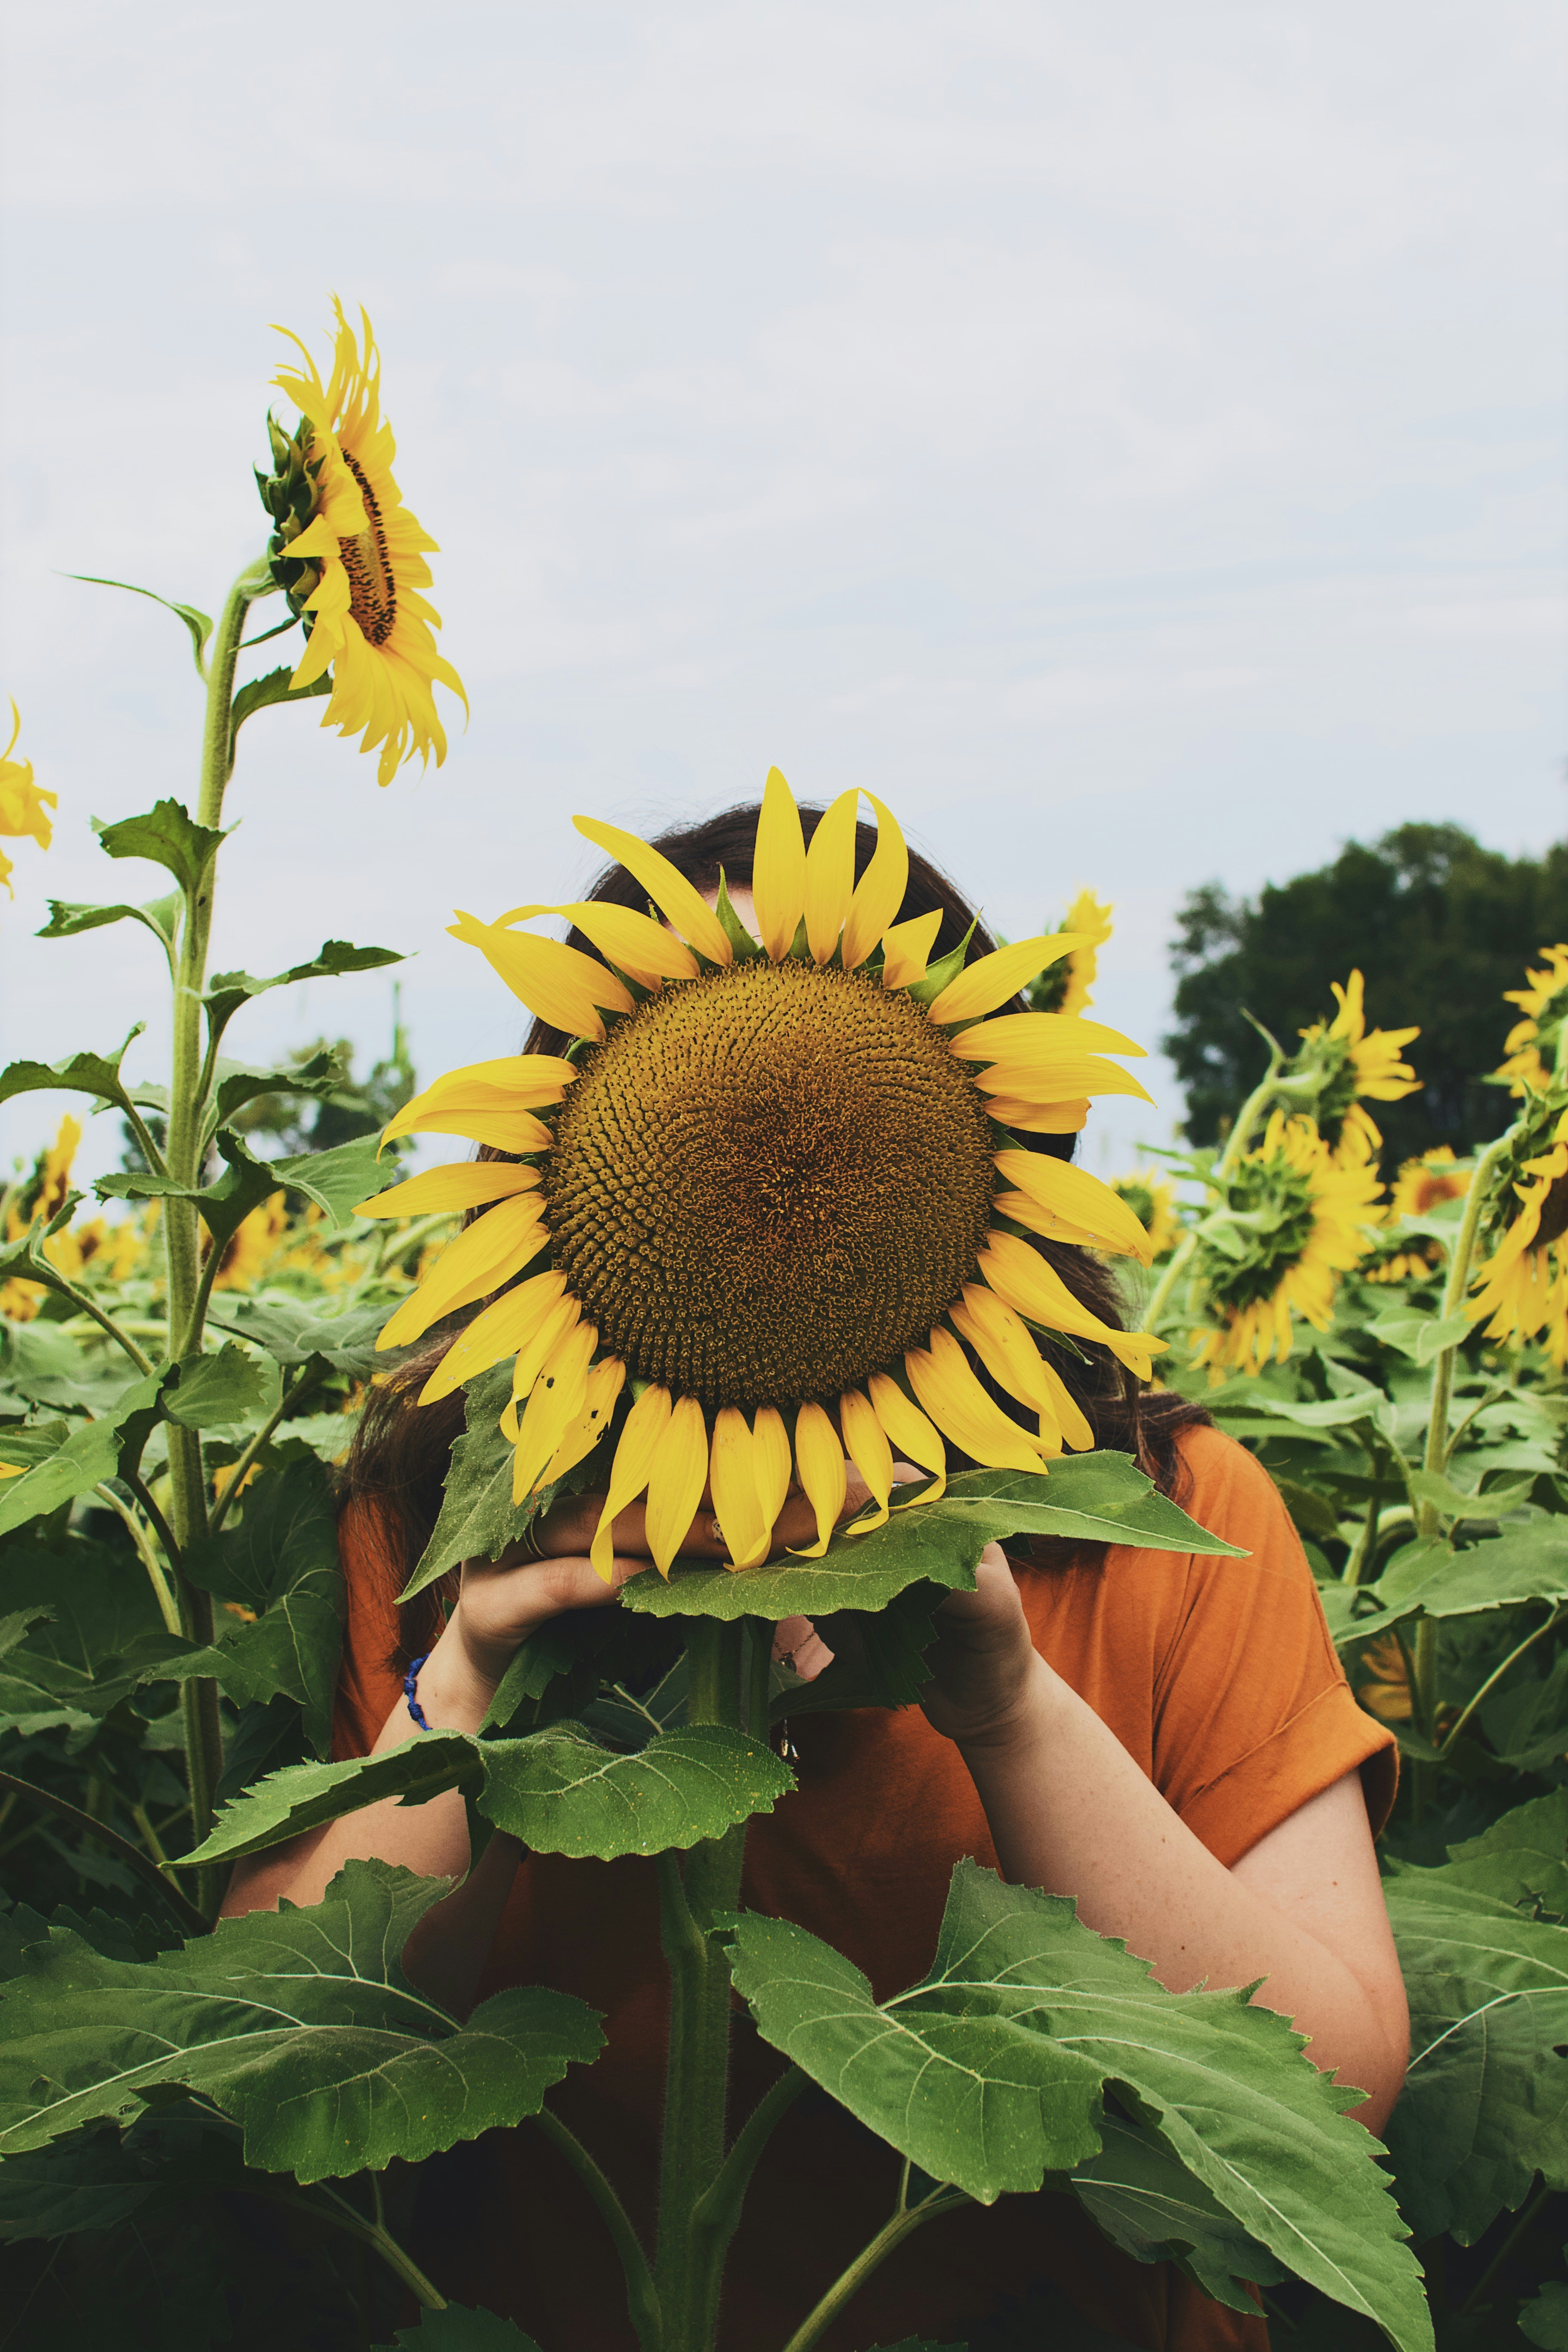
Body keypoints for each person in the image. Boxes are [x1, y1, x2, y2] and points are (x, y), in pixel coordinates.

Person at [224, 806, 1406, 2352]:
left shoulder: (1161, 1516)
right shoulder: (446, 1508)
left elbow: (1323, 2098)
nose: (763, 1184)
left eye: (847, 1127)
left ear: (986, 1172)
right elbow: (279, 2044)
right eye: (695, 1113)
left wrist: (1008, 1702)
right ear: (557, 1157)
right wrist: (463, 1691)